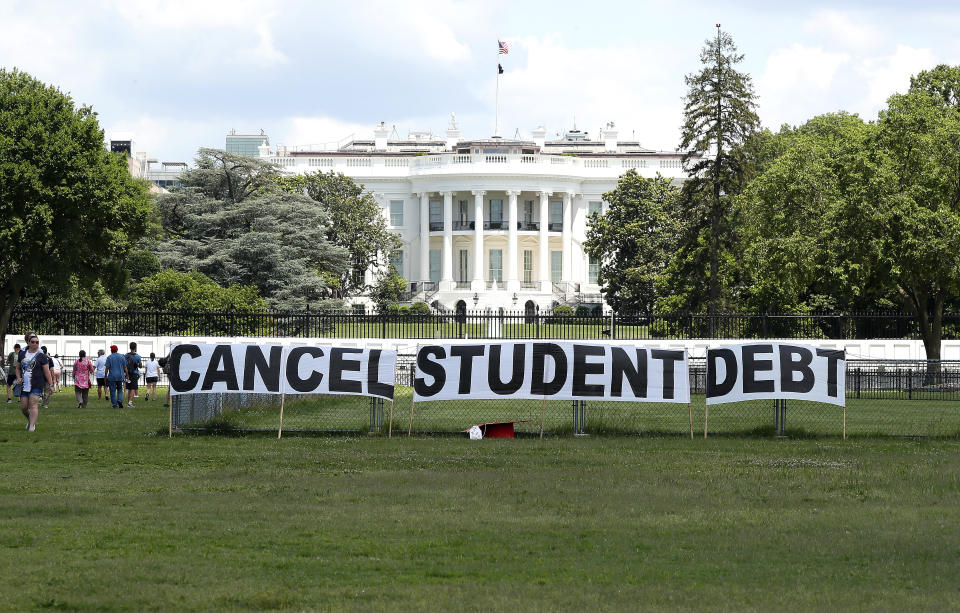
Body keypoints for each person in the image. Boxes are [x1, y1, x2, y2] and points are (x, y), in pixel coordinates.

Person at [17, 333, 52, 432]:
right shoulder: (22, 354)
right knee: (24, 407)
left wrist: (51, 384)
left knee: (33, 404)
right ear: (28, 342)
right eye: (33, 342)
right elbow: (18, 368)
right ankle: (30, 419)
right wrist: (18, 377)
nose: (35, 344)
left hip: (37, 384)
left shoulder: (41, 356)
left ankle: (31, 427)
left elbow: (47, 371)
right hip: (24, 385)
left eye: (37, 342)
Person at [104, 345, 126, 409]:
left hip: (112, 376)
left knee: (112, 391)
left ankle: (114, 405)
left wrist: (105, 375)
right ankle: (119, 400)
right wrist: (127, 374)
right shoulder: (122, 357)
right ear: (117, 350)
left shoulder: (109, 357)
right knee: (120, 389)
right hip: (120, 376)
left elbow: (107, 368)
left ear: (111, 350)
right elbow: (125, 367)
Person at [124, 342, 142, 408]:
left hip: (127, 373)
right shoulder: (137, 356)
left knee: (129, 388)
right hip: (134, 374)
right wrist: (137, 364)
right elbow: (140, 366)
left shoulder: (126, 355)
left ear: (130, 347)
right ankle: (130, 403)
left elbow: (124, 364)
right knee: (133, 388)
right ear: (135, 348)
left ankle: (129, 402)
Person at [39, 345, 54, 409]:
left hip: (39, 377)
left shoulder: (38, 358)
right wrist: (52, 378)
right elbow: (51, 369)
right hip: (47, 377)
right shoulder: (49, 359)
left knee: (39, 390)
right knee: (47, 391)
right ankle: (45, 404)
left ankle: (38, 402)